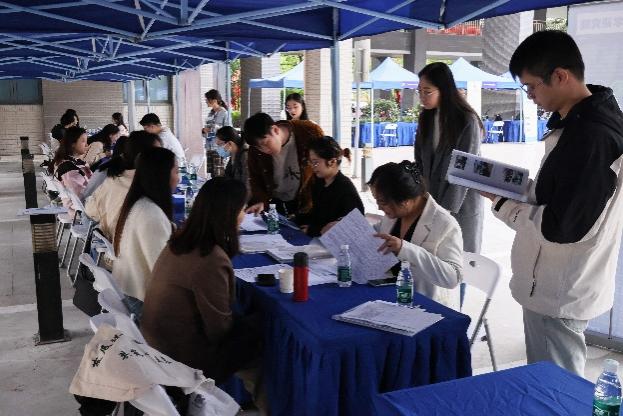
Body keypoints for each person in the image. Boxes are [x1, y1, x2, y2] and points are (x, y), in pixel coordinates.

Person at [483, 30, 623, 376]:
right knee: (554, 380)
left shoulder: (591, 137)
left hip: (558, 290)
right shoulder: (579, 122)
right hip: (554, 284)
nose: (530, 96)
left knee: (556, 386)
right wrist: (514, 188)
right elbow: (559, 197)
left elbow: (561, 227)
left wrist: (503, 203)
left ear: (560, 76)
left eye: (531, 87)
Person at [141, 177, 263, 389]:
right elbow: (220, 330)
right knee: (264, 336)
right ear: (229, 214)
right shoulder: (210, 259)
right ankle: (261, 401)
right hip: (183, 358)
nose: (244, 216)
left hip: (157, 345)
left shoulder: (181, 241)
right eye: (242, 209)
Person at [414, 62, 484, 306]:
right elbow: (420, 163)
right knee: (432, 264)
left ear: (444, 89)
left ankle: (455, 313)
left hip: (460, 207)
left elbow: (464, 173)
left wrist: (444, 214)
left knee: (457, 264)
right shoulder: (425, 118)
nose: (422, 96)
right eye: (419, 91)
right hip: (432, 204)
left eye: (427, 91)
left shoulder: (466, 121)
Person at [370, 161, 463, 310]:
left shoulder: (444, 224)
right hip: (389, 296)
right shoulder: (393, 214)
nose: (379, 207)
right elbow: (376, 232)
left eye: (382, 202)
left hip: (426, 306)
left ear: (405, 201)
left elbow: (453, 277)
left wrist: (406, 249)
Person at [112, 147, 178, 316]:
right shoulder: (151, 214)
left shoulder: (141, 203)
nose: (179, 178)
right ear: (162, 175)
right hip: (144, 303)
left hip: (131, 293)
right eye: (176, 171)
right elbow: (165, 272)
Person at [243, 112, 324, 217]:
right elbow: (255, 178)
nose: (264, 150)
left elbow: (325, 162)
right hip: (275, 204)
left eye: (265, 143)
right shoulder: (255, 150)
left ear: (275, 130)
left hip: (306, 202)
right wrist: (262, 201)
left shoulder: (308, 132)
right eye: (259, 147)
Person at [85, 131, 162, 241]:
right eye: (158, 153)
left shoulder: (116, 177)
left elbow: (91, 210)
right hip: (124, 244)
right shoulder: (141, 187)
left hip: (110, 241)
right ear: (141, 156)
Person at [298, 137, 364, 237]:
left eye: (315, 162)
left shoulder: (345, 188)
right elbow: (318, 214)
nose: (312, 166)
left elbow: (353, 225)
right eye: (310, 162)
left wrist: (313, 230)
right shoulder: (319, 182)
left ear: (332, 162)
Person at [50, 126, 92, 199]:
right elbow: (81, 197)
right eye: (83, 141)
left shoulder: (66, 160)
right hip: (83, 204)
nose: (86, 145)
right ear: (73, 144)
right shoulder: (69, 169)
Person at [82, 135, 127, 201]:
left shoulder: (105, 167)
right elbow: (88, 161)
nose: (116, 139)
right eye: (116, 135)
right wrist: (104, 155)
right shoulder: (98, 145)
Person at [215, 126, 249, 191]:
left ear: (230, 143)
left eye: (220, 145)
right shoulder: (234, 154)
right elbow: (227, 176)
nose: (219, 149)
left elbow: (247, 185)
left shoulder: (245, 156)